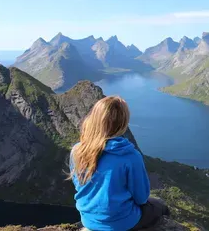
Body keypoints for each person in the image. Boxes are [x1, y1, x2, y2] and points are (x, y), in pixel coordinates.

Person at [69, 96, 170, 231]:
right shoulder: (129, 156)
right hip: (121, 223)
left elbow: (79, 185)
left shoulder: (77, 150)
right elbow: (141, 198)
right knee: (160, 207)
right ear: (122, 124)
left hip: (88, 220)